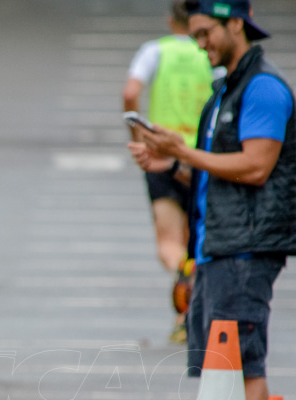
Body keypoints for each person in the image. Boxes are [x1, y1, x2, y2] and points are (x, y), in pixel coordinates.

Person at [129, 0, 296, 400]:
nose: (201, 44)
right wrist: (168, 164)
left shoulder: (263, 87)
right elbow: (213, 171)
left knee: (243, 368)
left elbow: (255, 167)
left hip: (246, 249)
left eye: (206, 32)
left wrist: (183, 152)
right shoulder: (226, 90)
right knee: (217, 369)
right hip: (216, 247)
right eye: (194, 35)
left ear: (236, 23)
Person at [123, 0, 214, 343]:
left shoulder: (155, 51)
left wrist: (139, 136)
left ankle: (182, 276)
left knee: (169, 241)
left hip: (161, 154)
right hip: (200, 157)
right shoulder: (208, 50)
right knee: (197, 237)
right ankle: (187, 315)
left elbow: (131, 91)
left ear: (169, 20)